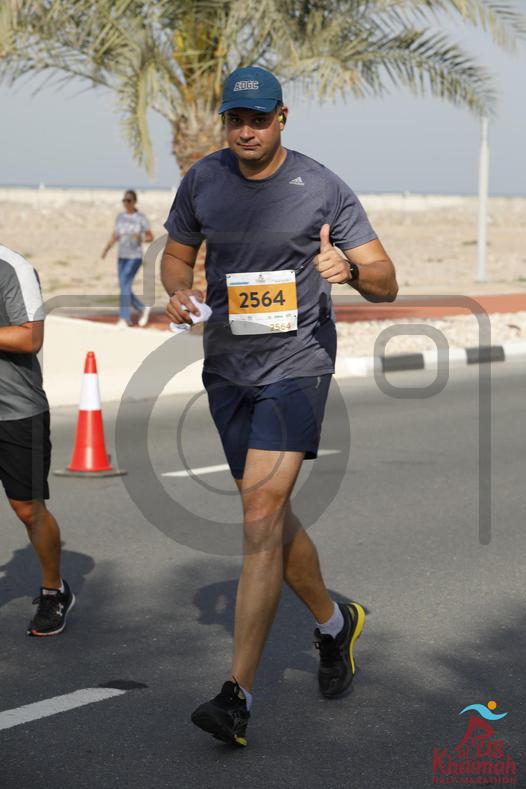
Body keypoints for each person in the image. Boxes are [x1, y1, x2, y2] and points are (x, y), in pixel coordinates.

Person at [161, 66, 398, 746]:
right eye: (236, 119)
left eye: (259, 119)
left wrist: (351, 270)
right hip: (227, 370)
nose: (246, 130)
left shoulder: (321, 186)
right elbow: (176, 257)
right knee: (268, 516)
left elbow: (386, 280)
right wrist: (178, 291)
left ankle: (236, 693)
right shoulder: (203, 180)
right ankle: (335, 623)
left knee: (260, 515)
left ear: (282, 118)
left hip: (296, 367)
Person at [0, 244, 75, 636]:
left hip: (16, 411)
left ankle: (53, 590)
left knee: (28, 509)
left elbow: (30, 337)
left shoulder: (12, 267)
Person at [101, 189, 154, 328]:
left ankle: (125, 318)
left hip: (134, 257)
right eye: (124, 200)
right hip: (122, 256)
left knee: (125, 285)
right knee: (124, 286)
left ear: (135, 201)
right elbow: (115, 236)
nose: (126, 203)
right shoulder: (120, 217)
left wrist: (140, 238)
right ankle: (142, 308)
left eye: (129, 200)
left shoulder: (141, 218)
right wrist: (106, 249)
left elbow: (150, 236)